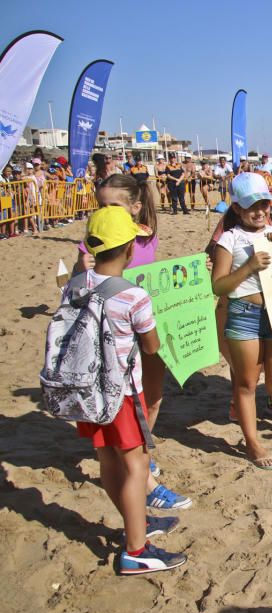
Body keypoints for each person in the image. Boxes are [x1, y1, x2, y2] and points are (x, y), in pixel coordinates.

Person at [72, 206, 187, 574]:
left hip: (87, 389)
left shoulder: (75, 285)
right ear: (128, 249)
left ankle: (136, 523)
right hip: (120, 391)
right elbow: (151, 346)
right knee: (136, 465)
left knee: (108, 460)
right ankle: (137, 549)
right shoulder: (132, 295)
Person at [211, 173, 272, 475]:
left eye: (264, 203)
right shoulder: (229, 238)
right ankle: (253, 444)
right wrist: (249, 267)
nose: (259, 211)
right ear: (238, 209)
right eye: (251, 205)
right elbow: (219, 286)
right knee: (246, 383)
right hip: (244, 314)